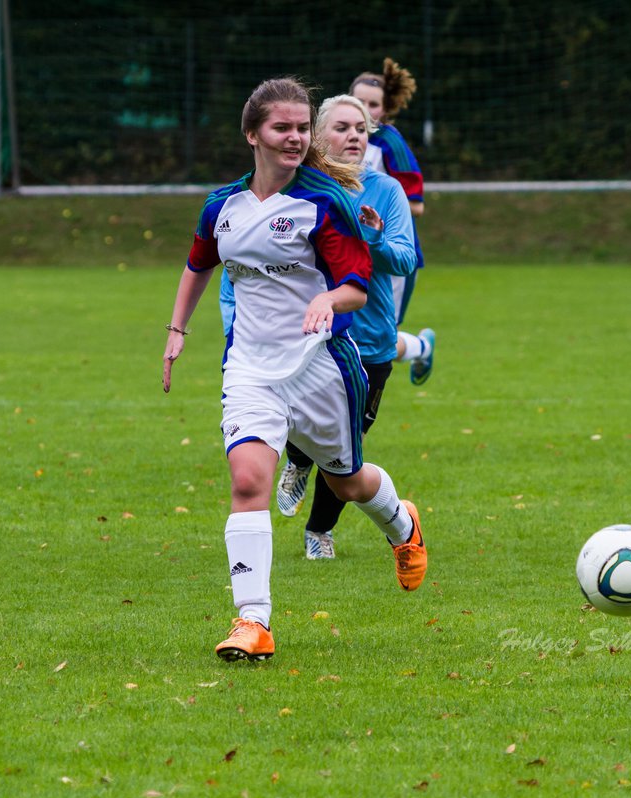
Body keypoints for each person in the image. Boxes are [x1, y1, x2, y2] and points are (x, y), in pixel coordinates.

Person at [163, 78, 429, 663]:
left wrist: (327, 301)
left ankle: (401, 522)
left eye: (302, 128)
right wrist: (177, 329)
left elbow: (359, 287)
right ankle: (252, 622)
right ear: (252, 133)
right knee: (249, 482)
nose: (295, 137)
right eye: (282, 127)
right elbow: (197, 263)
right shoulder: (222, 206)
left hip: (321, 368)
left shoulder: (324, 201)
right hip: (251, 369)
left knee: (346, 482)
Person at [266, 94, 419, 561]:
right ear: (317, 135)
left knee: (347, 445)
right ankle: (296, 459)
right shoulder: (297, 187)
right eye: (343, 127)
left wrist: (372, 239)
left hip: (369, 339)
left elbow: (406, 258)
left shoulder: (386, 191)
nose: (354, 137)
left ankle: (319, 530)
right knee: (297, 419)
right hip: (307, 337)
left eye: (362, 130)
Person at [350, 58, 436, 386]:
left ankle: (422, 347)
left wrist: (376, 211)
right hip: (353, 250)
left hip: (388, 253)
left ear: (385, 110)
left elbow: (416, 205)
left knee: (379, 339)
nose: (365, 110)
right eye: (359, 102)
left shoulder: (389, 142)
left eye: (373, 105)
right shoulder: (337, 140)